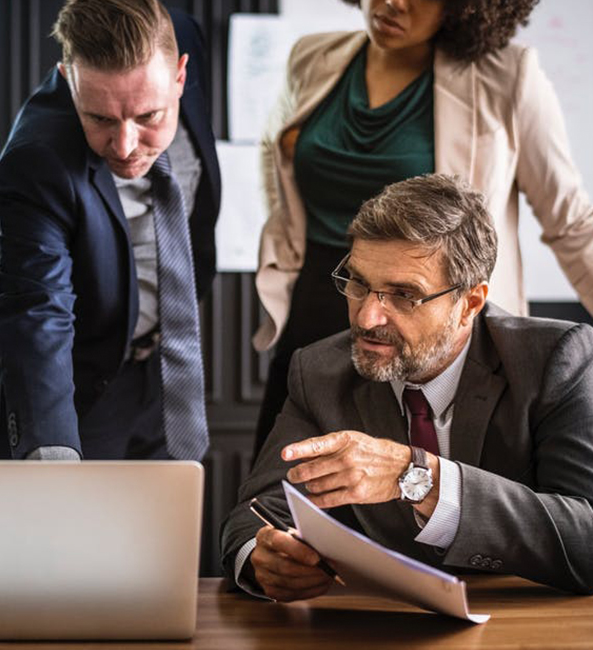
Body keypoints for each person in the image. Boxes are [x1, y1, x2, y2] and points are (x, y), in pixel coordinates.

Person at [223, 173, 593, 600]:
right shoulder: (319, 370)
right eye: (358, 284)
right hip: (380, 626)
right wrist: (261, 558)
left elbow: (585, 539)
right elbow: (255, 514)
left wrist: (417, 476)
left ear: (469, 303)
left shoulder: (552, 360)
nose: (366, 318)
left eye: (404, 295)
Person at [252, 0, 593, 459]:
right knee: (286, 492)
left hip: (432, 327)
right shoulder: (312, 58)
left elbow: (572, 223)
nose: (392, 1)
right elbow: (278, 162)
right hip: (318, 306)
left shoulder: (507, 76)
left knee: (431, 497)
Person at [0, 0, 221, 461]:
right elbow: (37, 309)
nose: (125, 146)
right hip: (80, 387)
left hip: (169, 369)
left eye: (149, 117)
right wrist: (51, 449)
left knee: (166, 529)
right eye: (100, 119)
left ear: (180, 75)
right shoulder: (37, 160)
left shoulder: (182, 35)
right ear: (68, 78)